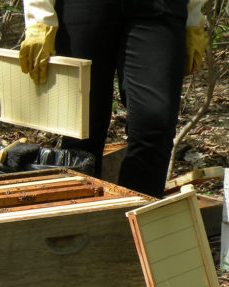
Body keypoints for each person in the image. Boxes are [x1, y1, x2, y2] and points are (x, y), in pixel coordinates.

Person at [18, 0, 209, 198]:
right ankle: (81, 222)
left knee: (154, 125)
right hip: (83, 8)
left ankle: (134, 219)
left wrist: (193, 16)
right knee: (82, 129)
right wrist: (39, 17)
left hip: (159, 8)